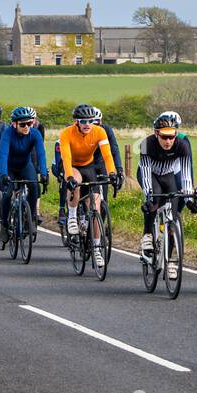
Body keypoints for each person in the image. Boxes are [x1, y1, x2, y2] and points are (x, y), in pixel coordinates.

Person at [57, 104, 121, 269]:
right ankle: (72, 216)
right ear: (76, 121)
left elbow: (107, 154)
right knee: (76, 183)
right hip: (73, 165)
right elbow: (65, 156)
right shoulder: (66, 133)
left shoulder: (99, 132)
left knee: (96, 207)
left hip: (89, 166)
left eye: (90, 121)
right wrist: (69, 176)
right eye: (83, 121)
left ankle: (97, 248)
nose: (87, 124)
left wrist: (113, 173)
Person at [137, 113, 197, 277]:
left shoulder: (182, 146)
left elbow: (185, 175)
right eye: (164, 137)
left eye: (171, 136)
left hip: (169, 174)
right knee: (154, 199)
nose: (168, 141)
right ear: (156, 133)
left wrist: (189, 197)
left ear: (175, 134)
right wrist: (148, 197)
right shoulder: (146, 144)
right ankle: (148, 235)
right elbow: (146, 172)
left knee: (173, 216)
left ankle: (170, 261)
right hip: (150, 174)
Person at [0, 106, 47, 242]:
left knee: (34, 187)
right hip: (9, 167)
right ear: (14, 124)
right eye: (23, 124)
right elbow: (3, 155)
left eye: (29, 123)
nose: (27, 127)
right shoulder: (7, 134)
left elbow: (41, 154)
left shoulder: (35, 134)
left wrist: (43, 173)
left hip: (25, 165)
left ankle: (30, 218)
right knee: (7, 194)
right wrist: (3, 175)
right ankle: (5, 226)